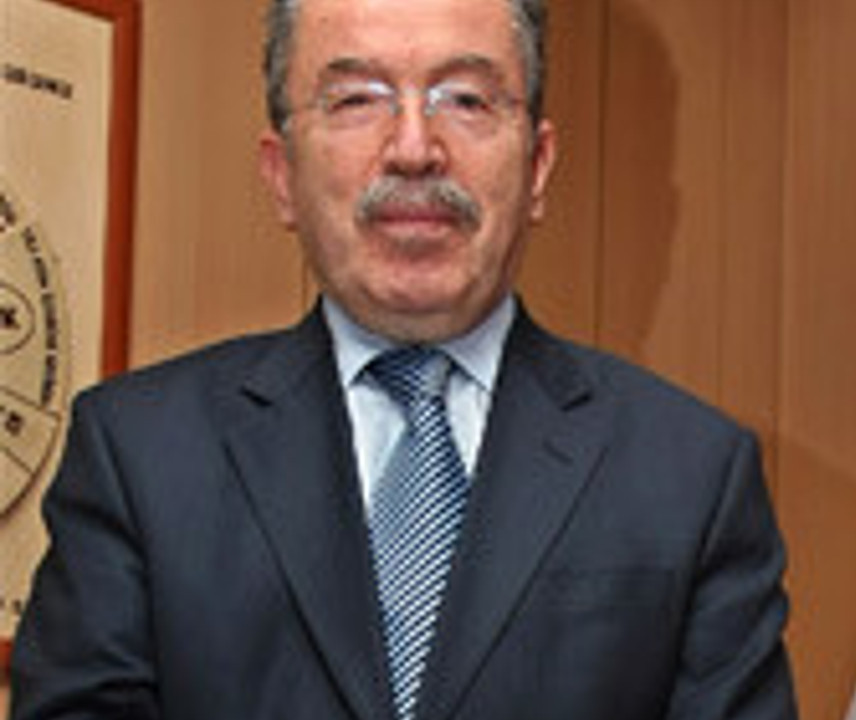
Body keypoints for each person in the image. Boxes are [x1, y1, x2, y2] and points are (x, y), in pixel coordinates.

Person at [9, 0, 798, 718]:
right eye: (357, 99)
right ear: (281, 175)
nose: (415, 149)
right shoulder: (139, 456)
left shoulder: (690, 475)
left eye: (466, 99)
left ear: (537, 167)